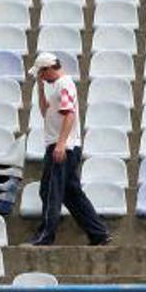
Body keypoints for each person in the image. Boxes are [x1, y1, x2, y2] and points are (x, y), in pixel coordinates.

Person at [27, 52, 112, 246]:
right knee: (71, 194)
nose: (41, 77)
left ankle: (46, 235)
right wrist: (40, 87)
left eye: (41, 73)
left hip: (62, 146)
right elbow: (45, 111)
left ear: (49, 68)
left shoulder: (64, 84)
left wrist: (61, 144)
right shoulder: (55, 86)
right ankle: (99, 233)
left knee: (50, 191)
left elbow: (69, 115)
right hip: (61, 144)